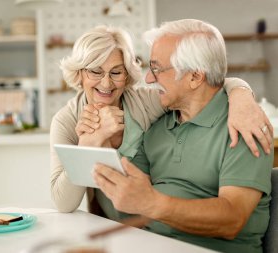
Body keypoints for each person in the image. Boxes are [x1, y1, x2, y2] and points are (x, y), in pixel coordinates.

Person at [50, 25, 272, 216]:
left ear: (127, 74)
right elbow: (63, 203)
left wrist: (241, 95)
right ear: (79, 74)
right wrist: (89, 143)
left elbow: (203, 83)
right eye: (95, 72)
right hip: (111, 224)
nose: (106, 84)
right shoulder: (66, 121)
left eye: (116, 72)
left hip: (153, 222)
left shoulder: (146, 102)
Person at [92, 19, 273, 253]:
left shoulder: (245, 127)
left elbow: (232, 219)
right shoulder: (157, 127)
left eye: (157, 68)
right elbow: (127, 202)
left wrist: (153, 204)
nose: (148, 79)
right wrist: (98, 142)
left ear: (195, 77)